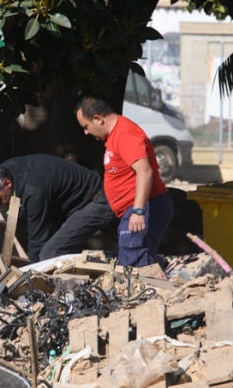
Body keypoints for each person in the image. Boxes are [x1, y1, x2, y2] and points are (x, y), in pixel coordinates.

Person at [74, 96, 173, 268]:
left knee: (134, 270)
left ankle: (148, 294)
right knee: (137, 266)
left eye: (86, 126)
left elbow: (145, 171)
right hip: (134, 209)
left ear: (98, 119)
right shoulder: (115, 135)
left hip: (143, 207)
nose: (86, 132)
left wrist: (138, 211)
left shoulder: (125, 134)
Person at [0, 155, 117, 262]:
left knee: (50, 253)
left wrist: (28, 276)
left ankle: (118, 264)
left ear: (7, 183)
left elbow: (37, 241)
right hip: (69, 208)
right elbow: (7, 219)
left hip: (97, 201)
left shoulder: (33, 192)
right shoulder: (5, 172)